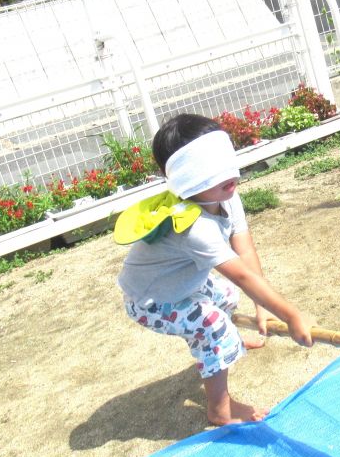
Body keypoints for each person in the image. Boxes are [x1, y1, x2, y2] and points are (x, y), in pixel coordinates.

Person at [115, 113, 313, 426]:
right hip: (150, 302)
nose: (226, 175)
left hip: (181, 285)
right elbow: (244, 274)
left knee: (226, 296)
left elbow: (245, 252)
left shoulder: (226, 196)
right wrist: (291, 316)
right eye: (209, 169)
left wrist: (262, 310)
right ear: (185, 177)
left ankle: (220, 346)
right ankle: (220, 408)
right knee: (213, 327)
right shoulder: (194, 228)